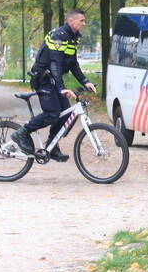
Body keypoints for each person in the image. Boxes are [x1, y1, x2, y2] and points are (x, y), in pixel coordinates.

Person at [10, 9, 96, 161]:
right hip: (43, 79)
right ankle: (22, 132)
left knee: (67, 113)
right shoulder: (59, 36)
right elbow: (55, 64)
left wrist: (85, 81)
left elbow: (73, 63)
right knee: (52, 113)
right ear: (71, 21)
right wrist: (61, 88)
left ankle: (52, 146)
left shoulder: (72, 38)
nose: (84, 23)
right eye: (81, 20)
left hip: (53, 80)